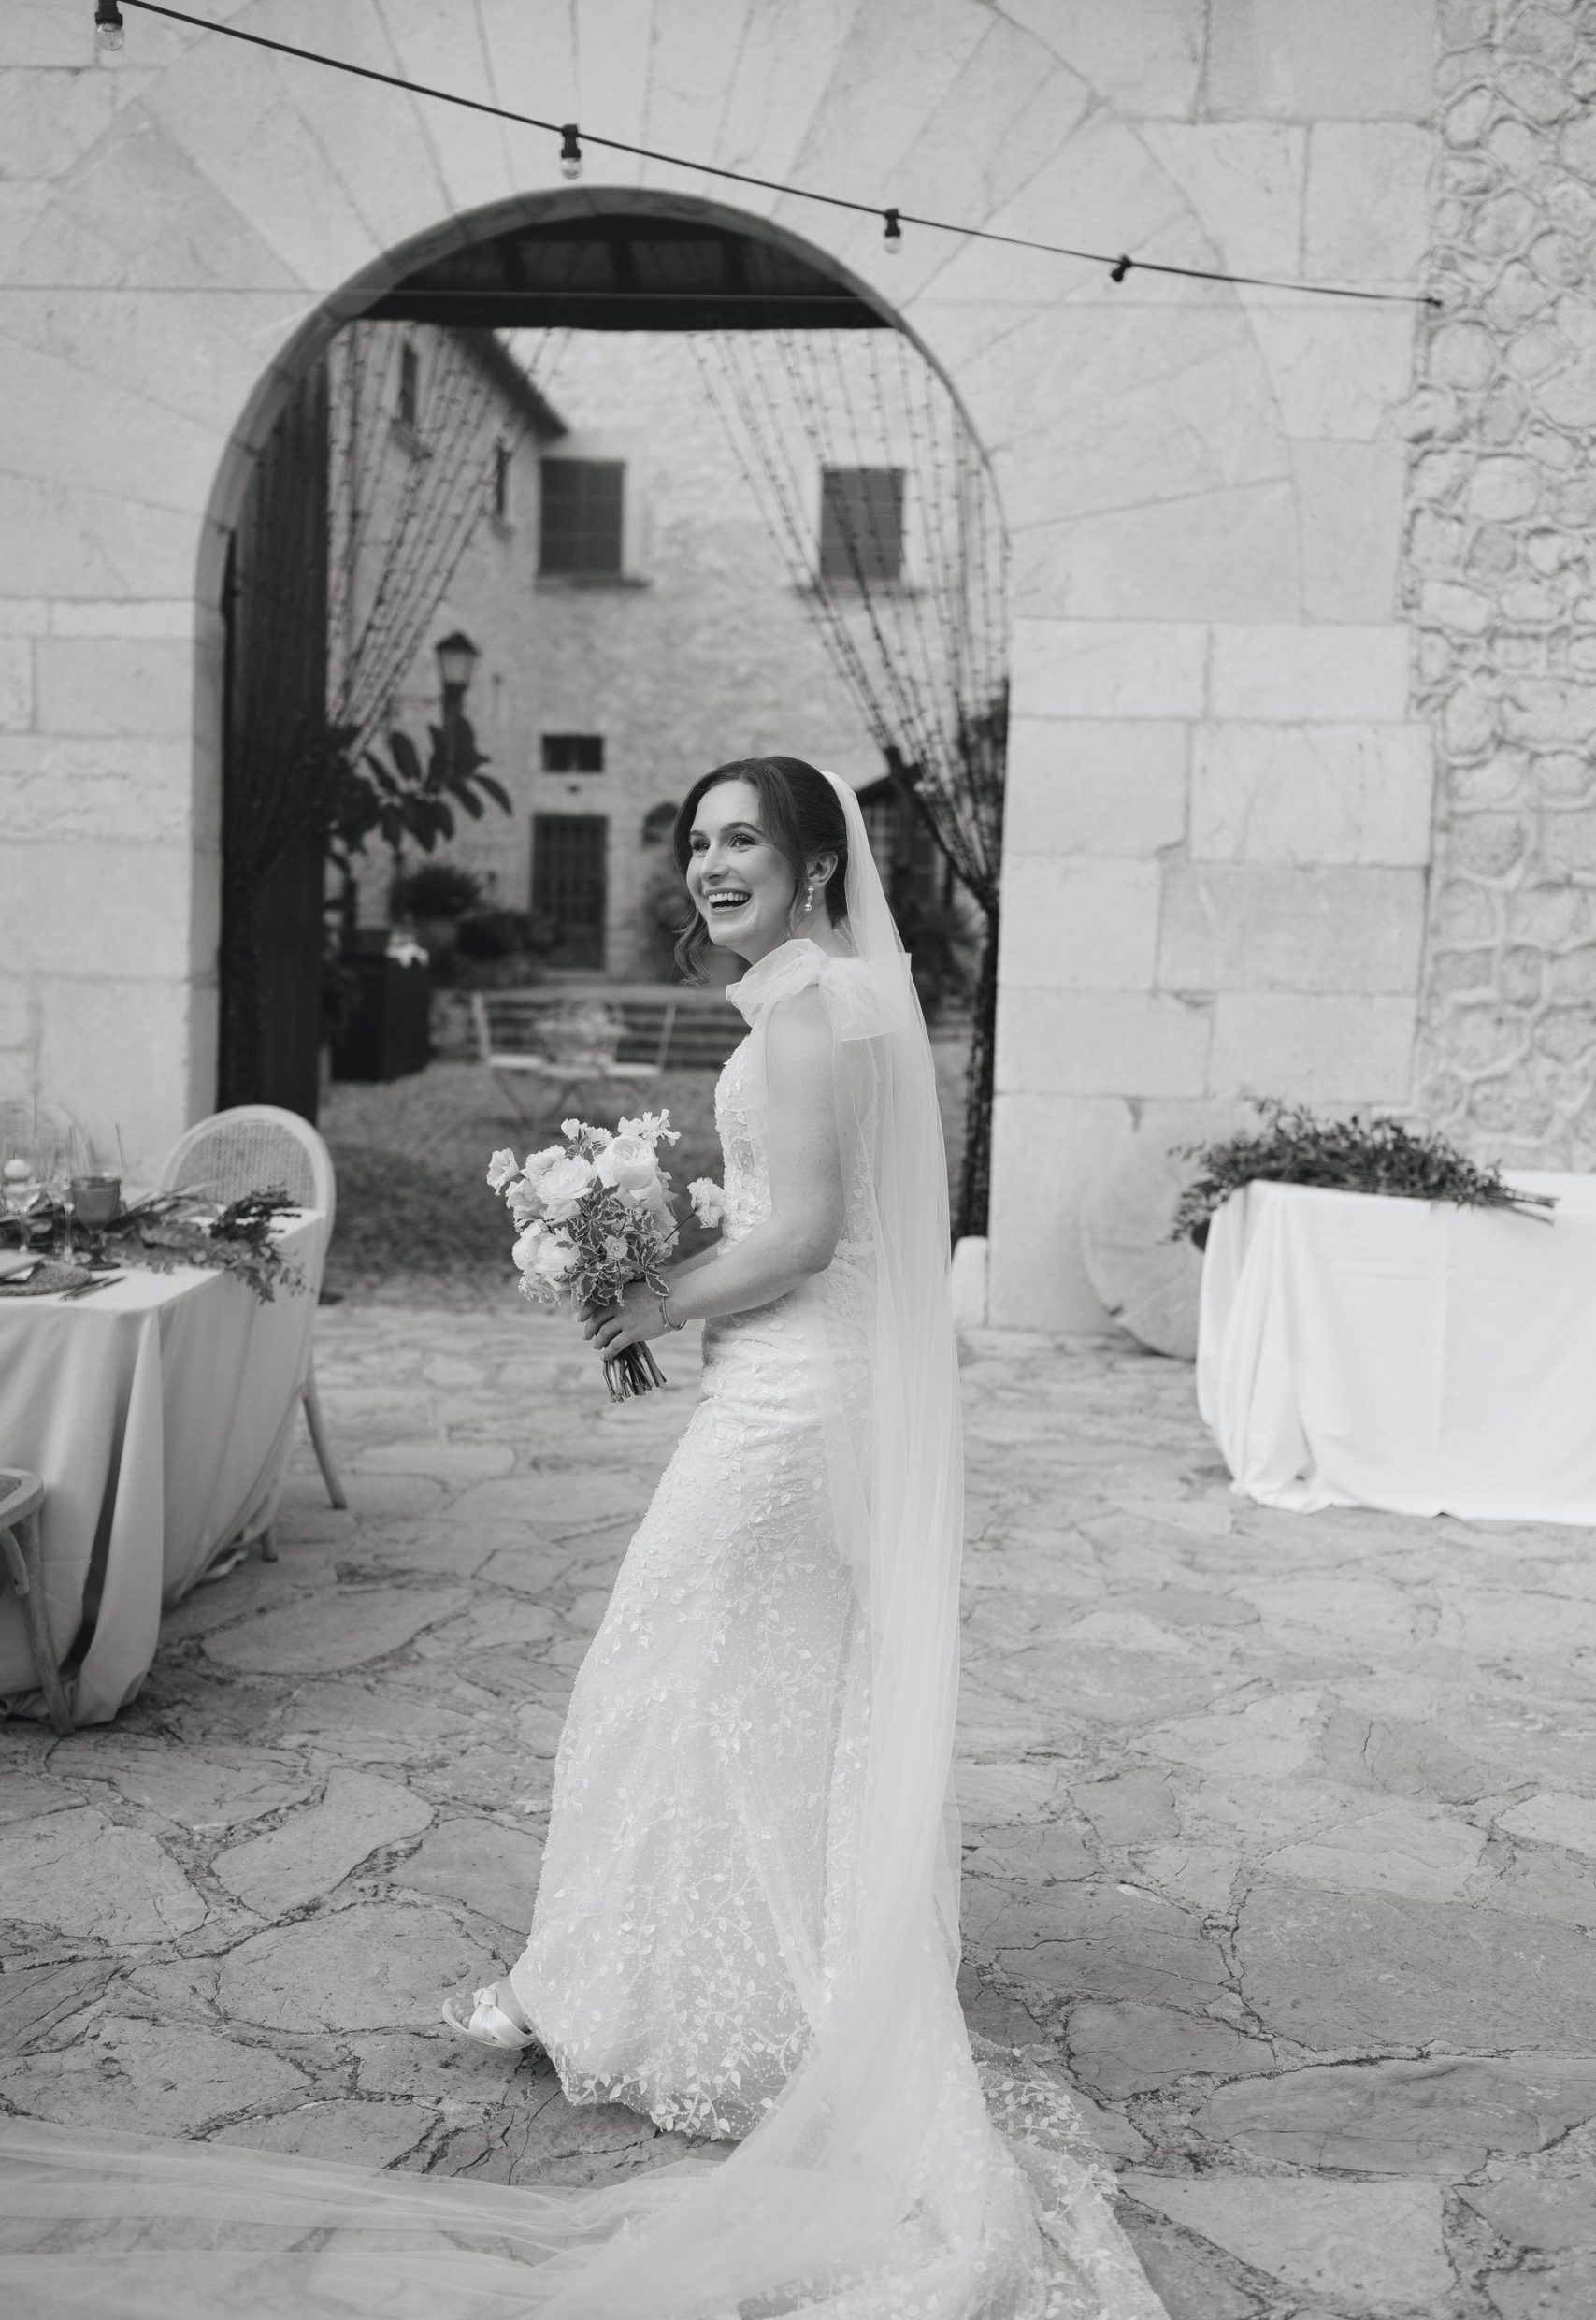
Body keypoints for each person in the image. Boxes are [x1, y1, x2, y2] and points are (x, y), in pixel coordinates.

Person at [0, 757, 1162, 2320]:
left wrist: (642, 1295)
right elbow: (805, 1226)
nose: (711, 865)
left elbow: (809, 1234)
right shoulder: (833, 1007)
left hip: (783, 1408)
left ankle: (697, 2009)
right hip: (806, 1390)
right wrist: (657, 1252)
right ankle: (734, 1988)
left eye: (744, 840)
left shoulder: (812, 1018)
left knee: (660, 1665)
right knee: (761, 1690)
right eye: (696, 843)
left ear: (821, 870)